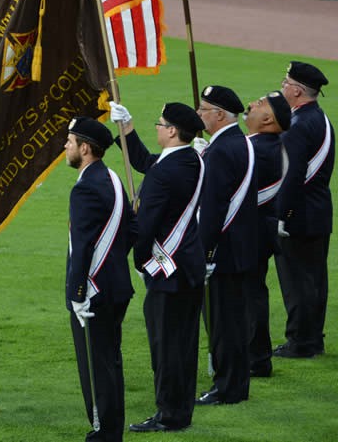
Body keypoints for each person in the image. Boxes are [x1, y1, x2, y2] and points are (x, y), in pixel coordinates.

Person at [109, 101, 207, 433]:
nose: (157, 127)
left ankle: (169, 415)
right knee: (185, 344)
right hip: (190, 265)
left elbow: (145, 224)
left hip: (167, 271)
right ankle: (181, 410)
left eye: (160, 123)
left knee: (166, 348)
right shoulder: (191, 158)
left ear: (172, 131)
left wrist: (139, 262)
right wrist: (128, 129)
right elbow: (148, 162)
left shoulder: (166, 173)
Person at [64, 116, 135, 442]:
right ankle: (111, 429)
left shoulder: (85, 190)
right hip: (116, 285)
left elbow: (81, 248)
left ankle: (105, 433)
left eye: (70, 141)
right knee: (110, 361)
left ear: (86, 148)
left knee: (96, 365)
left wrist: (77, 293)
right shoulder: (112, 179)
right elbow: (132, 230)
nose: (66, 147)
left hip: (95, 293)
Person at [193, 85, 259, 406]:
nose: (198, 114)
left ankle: (227, 388)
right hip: (242, 248)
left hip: (223, 252)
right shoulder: (241, 142)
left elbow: (213, 209)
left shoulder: (220, 151)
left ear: (220, 114)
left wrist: (205, 252)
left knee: (223, 324)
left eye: (203, 109)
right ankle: (236, 385)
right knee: (233, 319)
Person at [273, 61, 335, 359]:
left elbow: (291, 175)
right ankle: (313, 339)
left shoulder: (297, 126)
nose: (282, 86)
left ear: (297, 91)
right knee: (314, 282)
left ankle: (300, 342)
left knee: (297, 282)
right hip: (319, 212)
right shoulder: (319, 118)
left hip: (298, 215)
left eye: (285, 82)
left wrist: (281, 215)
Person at [242, 91, 291, 378]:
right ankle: (256, 357)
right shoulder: (263, 144)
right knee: (252, 294)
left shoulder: (261, 148)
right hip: (259, 230)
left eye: (259, 104)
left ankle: (256, 359)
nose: (251, 104)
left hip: (251, 232)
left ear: (268, 119)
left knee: (248, 296)